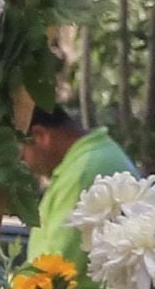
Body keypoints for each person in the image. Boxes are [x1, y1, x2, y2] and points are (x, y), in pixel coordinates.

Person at [22, 105, 134, 264]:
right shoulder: (92, 158)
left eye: (22, 154)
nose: (24, 163)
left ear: (40, 135)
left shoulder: (84, 172)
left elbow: (55, 265)